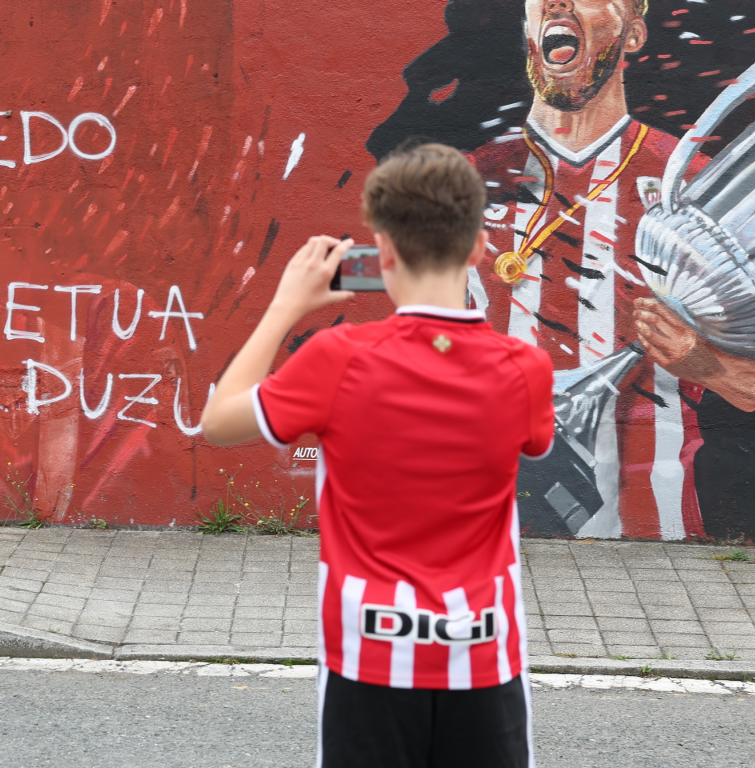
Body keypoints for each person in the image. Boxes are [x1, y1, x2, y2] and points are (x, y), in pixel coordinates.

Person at [202, 143, 554, 767]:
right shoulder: (525, 369)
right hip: (482, 657)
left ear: (383, 252)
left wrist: (287, 306)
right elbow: (535, 440)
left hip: (368, 658)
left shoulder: (336, 360)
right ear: (478, 249)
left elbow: (219, 421)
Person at [469, 0, 755, 540]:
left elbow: (754, 387)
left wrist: (698, 359)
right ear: (528, 24)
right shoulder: (471, 180)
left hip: (650, 535)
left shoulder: (689, 182)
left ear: (632, 31)